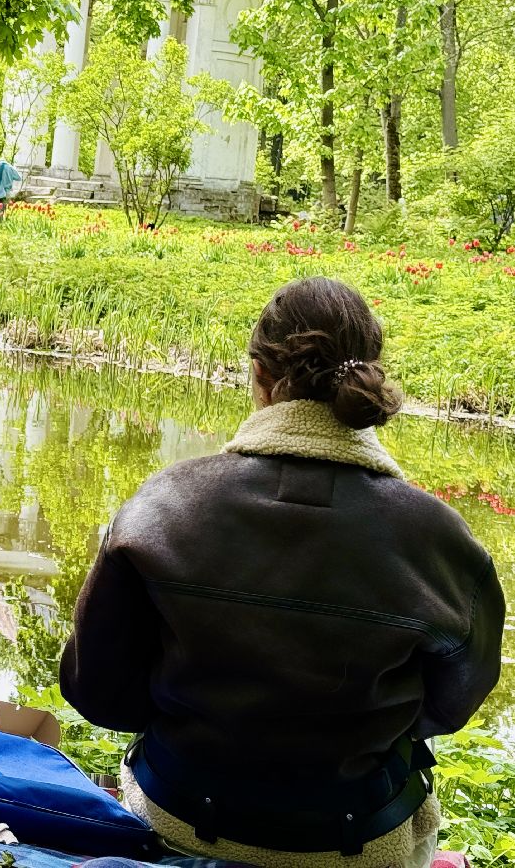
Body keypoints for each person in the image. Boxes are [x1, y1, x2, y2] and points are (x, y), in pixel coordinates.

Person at [60, 277, 504, 868]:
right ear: (366, 374)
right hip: (363, 836)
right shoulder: (440, 536)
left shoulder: (163, 504)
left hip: (180, 812)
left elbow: (99, 693)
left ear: (259, 376)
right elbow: (452, 706)